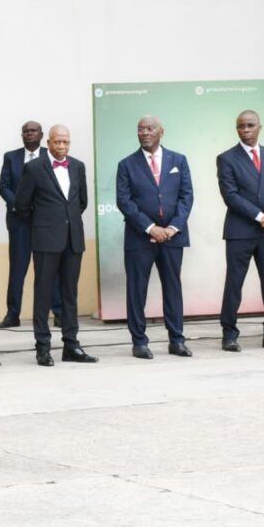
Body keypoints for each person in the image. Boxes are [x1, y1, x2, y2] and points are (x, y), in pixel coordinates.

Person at [14, 125, 98, 366]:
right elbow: (22, 205)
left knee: (70, 293)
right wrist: (44, 224)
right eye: (57, 142)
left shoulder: (78, 166)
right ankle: (43, 346)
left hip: (73, 239)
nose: (62, 146)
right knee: (43, 293)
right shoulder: (33, 167)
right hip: (45, 239)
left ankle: (71, 344)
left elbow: (81, 202)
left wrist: (66, 223)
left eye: (66, 142)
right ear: (48, 142)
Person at [216, 110, 264, 352]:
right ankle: (229, 334)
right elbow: (230, 196)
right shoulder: (226, 158)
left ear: (260, 127)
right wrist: (262, 217)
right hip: (240, 231)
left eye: (250, 125)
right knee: (234, 284)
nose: (246, 130)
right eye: (241, 126)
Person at [116, 116, 194, 359]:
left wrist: (172, 228)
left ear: (161, 131)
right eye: (140, 129)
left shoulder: (178, 161)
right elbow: (124, 202)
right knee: (136, 289)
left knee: (173, 287)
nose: (145, 132)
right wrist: (150, 228)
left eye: (150, 128)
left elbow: (186, 197)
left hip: (173, 236)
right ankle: (139, 341)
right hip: (140, 238)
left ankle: (176, 340)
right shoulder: (126, 164)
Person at [0, 121, 62, 329]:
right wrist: (19, 205)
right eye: (26, 131)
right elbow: (4, 186)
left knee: (48, 269)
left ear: (42, 134)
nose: (29, 133)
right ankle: (12, 314)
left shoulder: (49, 156)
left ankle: (58, 312)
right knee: (17, 268)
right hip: (19, 221)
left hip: (44, 222)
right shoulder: (11, 157)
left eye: (33, 131)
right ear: (22, 135)